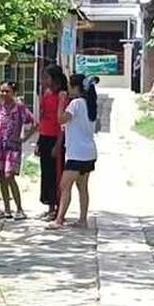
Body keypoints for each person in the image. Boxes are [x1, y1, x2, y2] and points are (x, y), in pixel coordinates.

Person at [0, 81, 37, 220]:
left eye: (7, 91)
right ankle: (7, 209)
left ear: (14, 93)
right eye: (1, 91)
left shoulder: (19, 108)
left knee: (10, 176)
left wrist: (25, 138)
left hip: (13, 148)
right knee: (1, 176)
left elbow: (34, 123)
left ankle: (19, 209)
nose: (3, 94)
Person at [53, 73, 98, 229]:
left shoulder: (76, 103)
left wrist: (61, 102)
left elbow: (61, 119)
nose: (68, 90)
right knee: (82, 187)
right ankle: (82, 219)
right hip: (89, 152)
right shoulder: (90, 104)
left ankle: (59, 219)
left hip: (77, 154)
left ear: (76, 87)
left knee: (64, 186)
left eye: (69, 87)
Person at [37, 65, 69, 218]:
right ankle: (49, 206)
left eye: (46, 78)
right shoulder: (46, 94)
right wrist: (39, 140)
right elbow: (43, 117)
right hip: (45, 136)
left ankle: (58, 207)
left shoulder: (62, 96)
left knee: (56, 174)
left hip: (56, 138)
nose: (43, 81)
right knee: (46, 173)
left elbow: (63, 124)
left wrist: (58, 144)